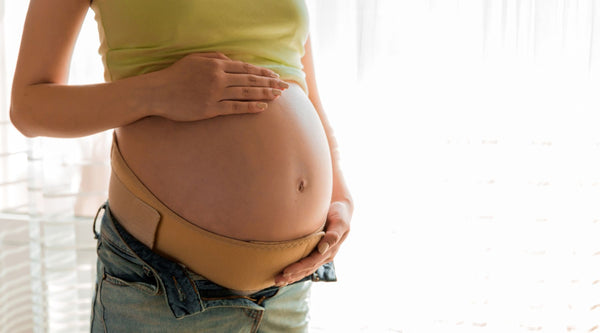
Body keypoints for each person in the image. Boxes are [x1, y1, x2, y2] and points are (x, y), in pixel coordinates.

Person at [10, 0, 353, 331]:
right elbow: (28, 106)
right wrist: (157, 91)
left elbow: (303, 89)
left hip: (289, 288)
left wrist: (339, 197)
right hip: (164, 289)